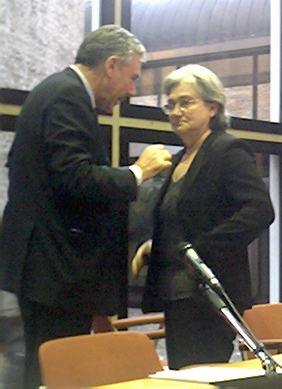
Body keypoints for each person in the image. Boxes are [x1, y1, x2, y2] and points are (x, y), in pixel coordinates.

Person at [0, 25, 173, 389]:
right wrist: (137, 172)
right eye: (132, 78)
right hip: (55, 273)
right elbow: (74, 178)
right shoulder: (67, 97)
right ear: (110, 65)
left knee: (44, 370)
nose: (132, 91)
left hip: (46, 270)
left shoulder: (55, 92)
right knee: (54, 374)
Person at [131, 64, 275, 369]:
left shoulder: (227, 150)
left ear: (213, 107)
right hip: (177, 295)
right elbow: (183, 223)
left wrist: (199, 252)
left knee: (201, 378)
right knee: (183, 377)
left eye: (186, 102)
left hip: (210, 294)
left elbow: (259, 211)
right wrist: (155, 246)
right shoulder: (178, 159)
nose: (176, 112)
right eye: (170, 105)